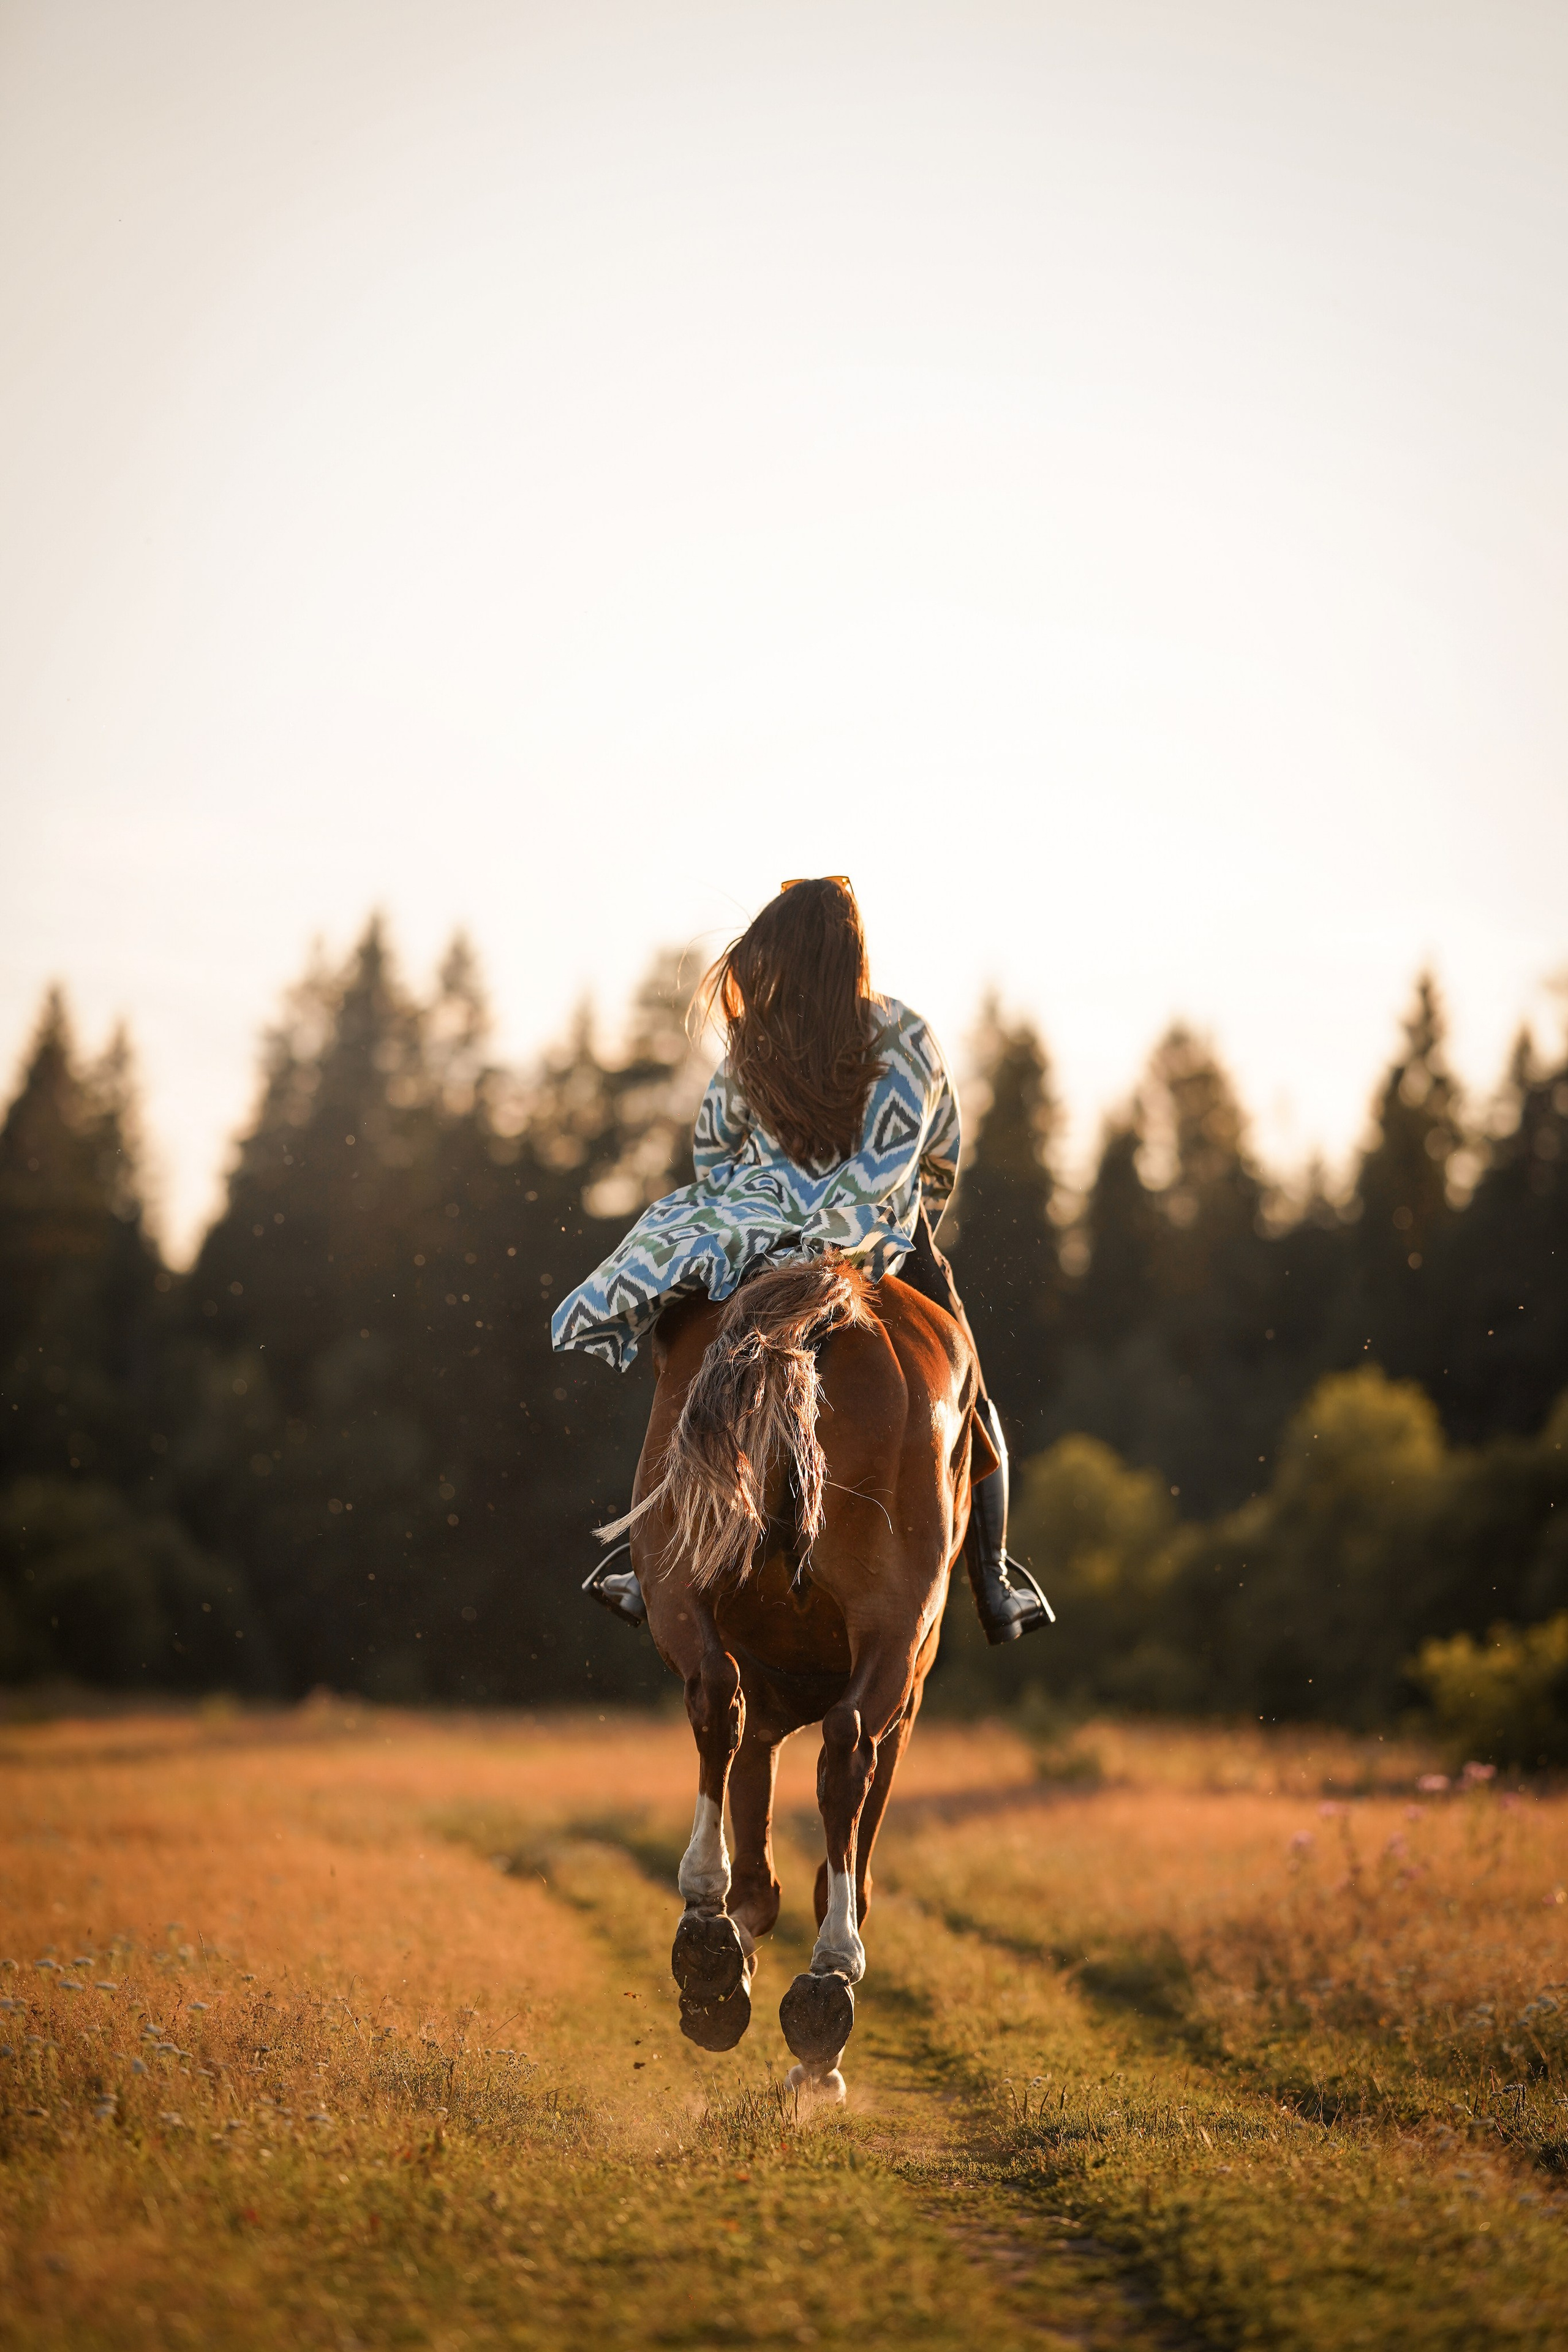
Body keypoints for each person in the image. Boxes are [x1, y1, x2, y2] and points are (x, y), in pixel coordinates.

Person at [551, 876, 1053, 1646]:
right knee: (969, 1386)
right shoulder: (904, 1034)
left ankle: (644, 1551)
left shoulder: (756, 1043)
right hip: (876, 1229)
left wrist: (756, 1208)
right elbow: (932, 1153)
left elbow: (713, 1152)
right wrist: (883, 1227)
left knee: (682, 1354)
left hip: (754, 1229)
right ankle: (995, 1576)